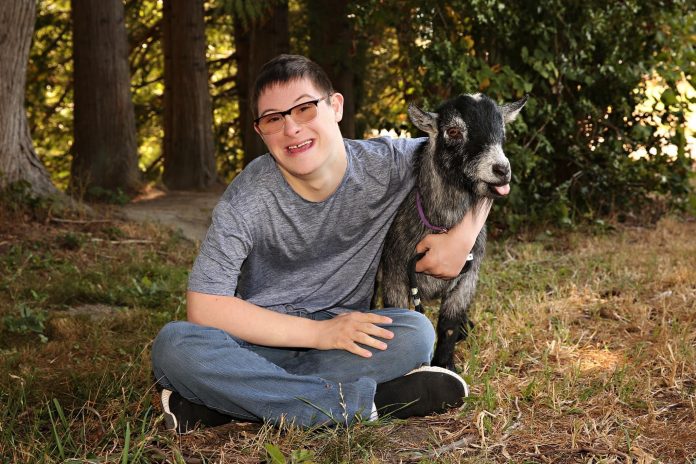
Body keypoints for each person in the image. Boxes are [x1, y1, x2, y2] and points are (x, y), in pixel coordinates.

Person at [151, 54, 491, 433]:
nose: (292, 128)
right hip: (258, 337)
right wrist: (317, 333)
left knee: (416, 335)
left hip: (346, 336)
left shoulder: (388, 164)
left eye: (305, 108)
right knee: (174, 346)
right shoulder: (246, 199)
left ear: (336, 107)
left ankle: (229, 401)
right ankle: (367, 404)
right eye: (274, 118)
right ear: (260, 131)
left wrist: (464, 236)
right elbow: (204, 305)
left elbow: (483, 159)